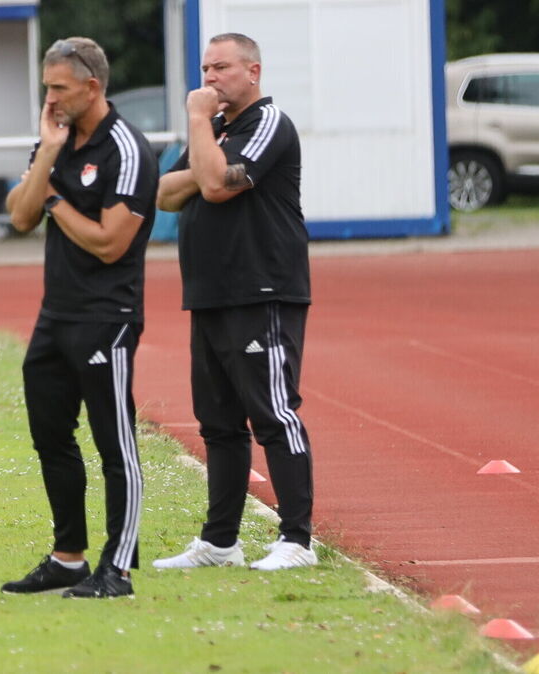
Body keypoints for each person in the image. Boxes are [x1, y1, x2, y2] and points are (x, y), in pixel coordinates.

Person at [152, 33, 316, 572]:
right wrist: (205, 156)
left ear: (254, 72)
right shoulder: (217, 131)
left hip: (261, 288)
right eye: (205, 68)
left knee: (272, 411)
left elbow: (219, 185)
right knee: (218, 423)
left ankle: (297, 540)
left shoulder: (269, 123)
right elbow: (166, 193)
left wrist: (199, 129)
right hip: (211, 293)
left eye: (221, 67)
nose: (210, 79)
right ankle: (221, 542)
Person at [2, 37, 158, 598]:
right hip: (56, 315)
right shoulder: (57, 139)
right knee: (50, 435)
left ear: (92, 86)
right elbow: (19, 216)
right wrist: (47, 153)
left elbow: (110, 243)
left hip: (107, 316)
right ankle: (69, 556)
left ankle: (116, 568)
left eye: (58, 88)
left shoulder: (128, 148)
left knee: (115, 444)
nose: (50, 98)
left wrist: (53, 202)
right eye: (47, 87)